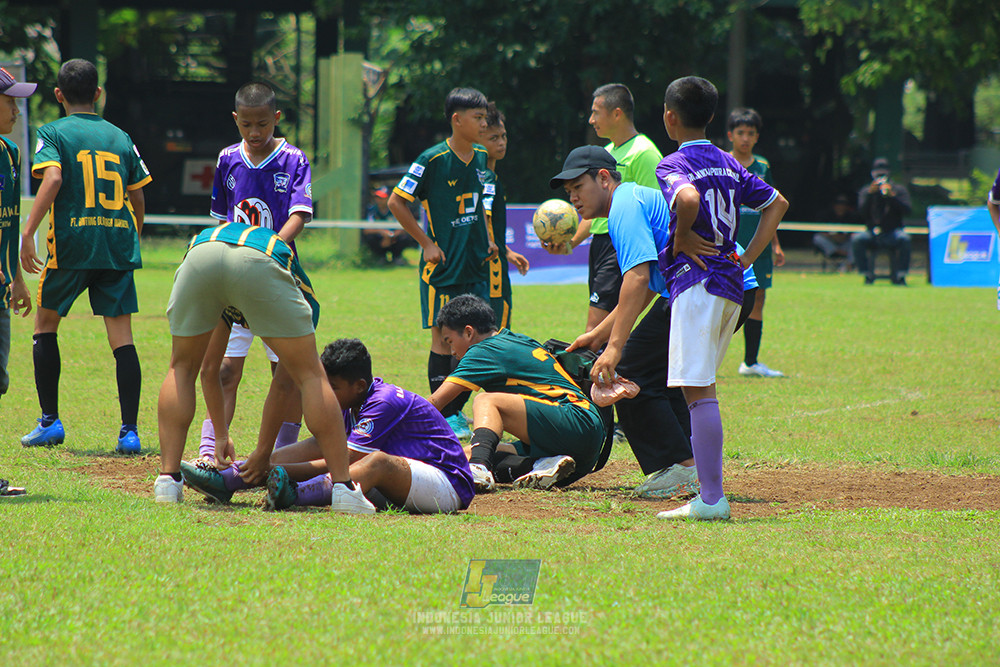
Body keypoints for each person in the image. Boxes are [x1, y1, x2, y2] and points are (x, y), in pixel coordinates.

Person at [551, 146, 759, 498]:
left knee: (629, 369)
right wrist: (599, 335)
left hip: (708, 285)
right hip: (725, 285)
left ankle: (680, 469)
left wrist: (615, 348)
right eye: (568, 192)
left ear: (604, 179)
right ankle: (688, 465)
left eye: (578, 187)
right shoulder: (631, 200)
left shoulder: (624, 207)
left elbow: (636, 277)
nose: (573, 198)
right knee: (664, 374)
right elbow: (650, 283)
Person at [153, 222, 374, 514]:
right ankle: (344, 489)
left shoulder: (226, 294)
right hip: (260, 258)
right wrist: (253, 448)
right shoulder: (301, 293)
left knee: (180, 367)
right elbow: (286, 384)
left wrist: (252, 448)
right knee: (311, 375)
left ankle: (168, 481)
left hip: (201, 251)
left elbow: (208, 370)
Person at [649, 76, 787, 520]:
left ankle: (711, 500)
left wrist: (683, 235)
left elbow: (686, 197)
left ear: (670, 117)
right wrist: (747, 256)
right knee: (701, 388)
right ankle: (710, 496)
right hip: (730, 284)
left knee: (699, 392)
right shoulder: (729, 162)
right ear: (711, 118)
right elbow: (777, 203)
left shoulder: (673, 163)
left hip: (698, 282)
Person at [19, 59, 151, 454]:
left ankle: (50, 422)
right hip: (114, 246)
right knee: (121, 338)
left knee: (45, 326)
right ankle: (129, 432)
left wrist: (29, 231)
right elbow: (138, 195)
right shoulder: (121, 137)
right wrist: (132, 236)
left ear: (59, 95)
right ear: (98, 93)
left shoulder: (53, 132)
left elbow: (54, 178)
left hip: (72, 245)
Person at [182, 338, 476, 513]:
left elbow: (346, 461)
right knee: (322, 443)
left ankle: (293, 494)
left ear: (359, 385)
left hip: (449, 486)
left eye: (331, 387)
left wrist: (277, 471)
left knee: (376, 462)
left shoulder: (383, 402)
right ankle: (229, 480)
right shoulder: (355, 401)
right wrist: (258, 463)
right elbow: (320, 446)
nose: (324, 392)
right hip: (408, 484)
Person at [194, 81, 312, 464]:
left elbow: (300, 214)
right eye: (246, 125)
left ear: (276, 118)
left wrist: (273, 246)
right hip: (233, 278)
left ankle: (282, 457)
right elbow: (219, 219)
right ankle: (212, 452)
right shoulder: (228, 158)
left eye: (262, 124)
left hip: (278, 274)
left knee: (288, 371)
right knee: (225, 370)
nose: (255, 132)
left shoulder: (293, 158)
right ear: (236, 120)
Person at [387, 87, 497, 440]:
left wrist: (489, 239)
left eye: (485, 118)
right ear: (457, 120)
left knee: (474, 339)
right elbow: (396, 202)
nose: (483, 124)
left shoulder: (481, 156)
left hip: (475, 262)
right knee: (443, 338)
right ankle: (447, 415)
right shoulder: (431, 159)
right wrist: (426, 243)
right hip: (443, 266)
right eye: (477, 118)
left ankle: (458, 411)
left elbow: (480, 205)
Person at [428, 294, 605, 492]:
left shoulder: (482, 351)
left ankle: (479, 467)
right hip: (582, 437)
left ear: (469, 332)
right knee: (465, 454)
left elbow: (436, 401)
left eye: (449, 341)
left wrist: (395, 419)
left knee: (486, 400)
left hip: (574, 420)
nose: (451, 351)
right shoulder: (517, 339)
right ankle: (543, 466)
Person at [549, 83, 664, 333]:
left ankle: (600, 364)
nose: (590, 120)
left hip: (622, 242)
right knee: (602, 320)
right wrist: (570, 243)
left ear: (617, 113)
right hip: (600, 245)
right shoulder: (606, 153)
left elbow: (656, 208)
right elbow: (594, 214)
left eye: (595, 112)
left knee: (597, 323)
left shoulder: (644, 152)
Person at [727, 108, 786, 378]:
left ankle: (750, 362)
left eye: (750, 133)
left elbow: (772, 207)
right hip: (729, 243)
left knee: (757, 299)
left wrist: (775, 244)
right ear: (730, 135)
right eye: (740, 133)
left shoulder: (763, 167)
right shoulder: (723, 164)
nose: (745, 138)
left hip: (758, 246)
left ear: (757, 137)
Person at [0, 68, 36, 498]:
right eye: (9, 100)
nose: (16, 109)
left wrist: (18, 279)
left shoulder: (10, 154)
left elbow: (8, 228)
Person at [480, 102, 529, 329]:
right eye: (493, 138)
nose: (501, 143)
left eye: (503, 136)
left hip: (490, 260)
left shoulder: (484, 175)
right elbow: (484, 216)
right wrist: (492, 245)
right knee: (497, 327)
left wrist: (507, 251)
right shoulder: (487, 179)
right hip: (490, 268)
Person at [853, 157, 912, 285]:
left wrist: (892, 196)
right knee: (857, 239)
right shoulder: (866, 191)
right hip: (872, 233)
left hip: (892, 232)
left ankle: (901, 274)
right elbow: (861, 213)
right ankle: (866, 273)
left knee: (905, 239)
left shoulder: (899, 190)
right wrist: (870, 194)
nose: (880, 178)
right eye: (878, 174)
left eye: (883, 174)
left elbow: (907, 210)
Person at [362, 186, 412, 266]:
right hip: (380, 238)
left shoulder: (397, 209)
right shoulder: (372, 210)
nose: (378, 200)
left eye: (382, 198)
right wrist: (382, 232)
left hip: (394, 237)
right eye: (377, 197)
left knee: (404, 238)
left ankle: (397, 257)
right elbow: (366, 230)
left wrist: (391, 236)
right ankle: (381, 257)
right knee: (371, 238)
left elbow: (405, 227)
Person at [813, 193, 860, 271]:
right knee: (817, 238)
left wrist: (843, 237)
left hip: (845, 244)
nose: (841, 206)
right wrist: (832, 237)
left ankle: (849, 265)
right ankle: (838, 253)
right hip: (831, 244)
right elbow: (820, 231)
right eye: (838, 203)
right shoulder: (826, 215)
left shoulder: (852, 217)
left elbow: (854, 231)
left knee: (856, 238)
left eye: (843, 203)